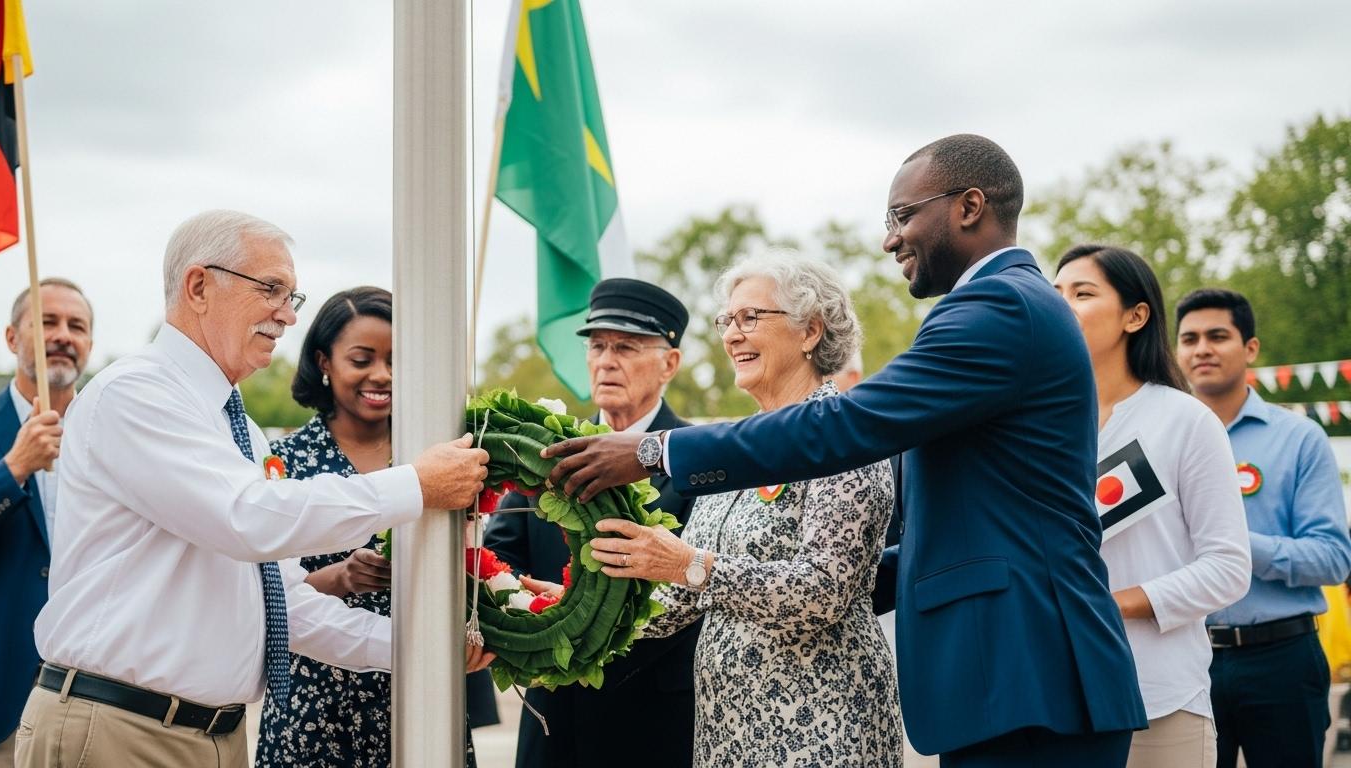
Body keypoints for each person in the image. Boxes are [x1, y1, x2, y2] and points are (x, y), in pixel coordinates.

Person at [544, 134, 1148, 767]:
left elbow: (848, 424)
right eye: (727, 320)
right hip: (1001, 678)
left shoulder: (999, 307)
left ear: (970, 206)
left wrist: (654, 451)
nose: (890, 239)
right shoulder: (995, 306)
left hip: (1026, 671)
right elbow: (884, 559)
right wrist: (572, 611)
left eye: (903, 215)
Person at [15, 210, 492, 768]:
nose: (288, 316)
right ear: (198, 286)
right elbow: (249, 519)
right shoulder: (137, 393)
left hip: (207, 734)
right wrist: (417, 484)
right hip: (122, 729)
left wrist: (429, 649)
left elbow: (284, 605)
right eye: (272, 289)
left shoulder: (235, 424)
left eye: (293, 296)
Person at [563, 255, 901, 765]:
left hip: (819, 728)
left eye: (751, 319)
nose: (732, 335)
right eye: (727, 321)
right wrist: (577, 610)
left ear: (810, 331)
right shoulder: (737, 449)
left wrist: (687, 564)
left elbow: (823, 593)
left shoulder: (842, 439)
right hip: (728, 732)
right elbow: (680, 603)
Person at [253, 286, 496, 765]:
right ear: (324, 361)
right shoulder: (283, 461)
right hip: (317, 697)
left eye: (394, 359)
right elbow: (264, 593)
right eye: (362, 359)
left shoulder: (441, 456)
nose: (381, 375)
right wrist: (339, 578)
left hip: (423, 690)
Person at [483, 277, 700, 768]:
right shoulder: (546, 454)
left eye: (625, 347)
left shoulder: (695, 461)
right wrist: (530, 616)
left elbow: (696, 591)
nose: (606, 360)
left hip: (652, 718)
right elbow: (502, 559)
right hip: (553, 713)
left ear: (670, 362)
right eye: (598, 345)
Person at [1055, 246, 1250, 768]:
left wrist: (1114, 603)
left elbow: (1229, 568)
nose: (1062, 306)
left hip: (1160, 697)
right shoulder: (1035, 426)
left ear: (1135, 316)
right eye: (1055, 295)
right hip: (1056, 698)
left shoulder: (1184, 420)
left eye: (1083, 293)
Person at [1175, 288, 1351, 767]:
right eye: (1189, 339)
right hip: (1185, 656)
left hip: (1281, 657)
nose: (1202, 349)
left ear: (1250, 348)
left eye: (1218, 336)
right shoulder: (1159, 438)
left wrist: (1229, 546)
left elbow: (1334, 558)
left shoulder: (1299, 438)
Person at [0, 278, 92, 768]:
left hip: (91, 697)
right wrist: (13, 468)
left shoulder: (111, 434)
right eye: (47, 322)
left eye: (77, 326)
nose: (63, 335)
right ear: (12, 338)